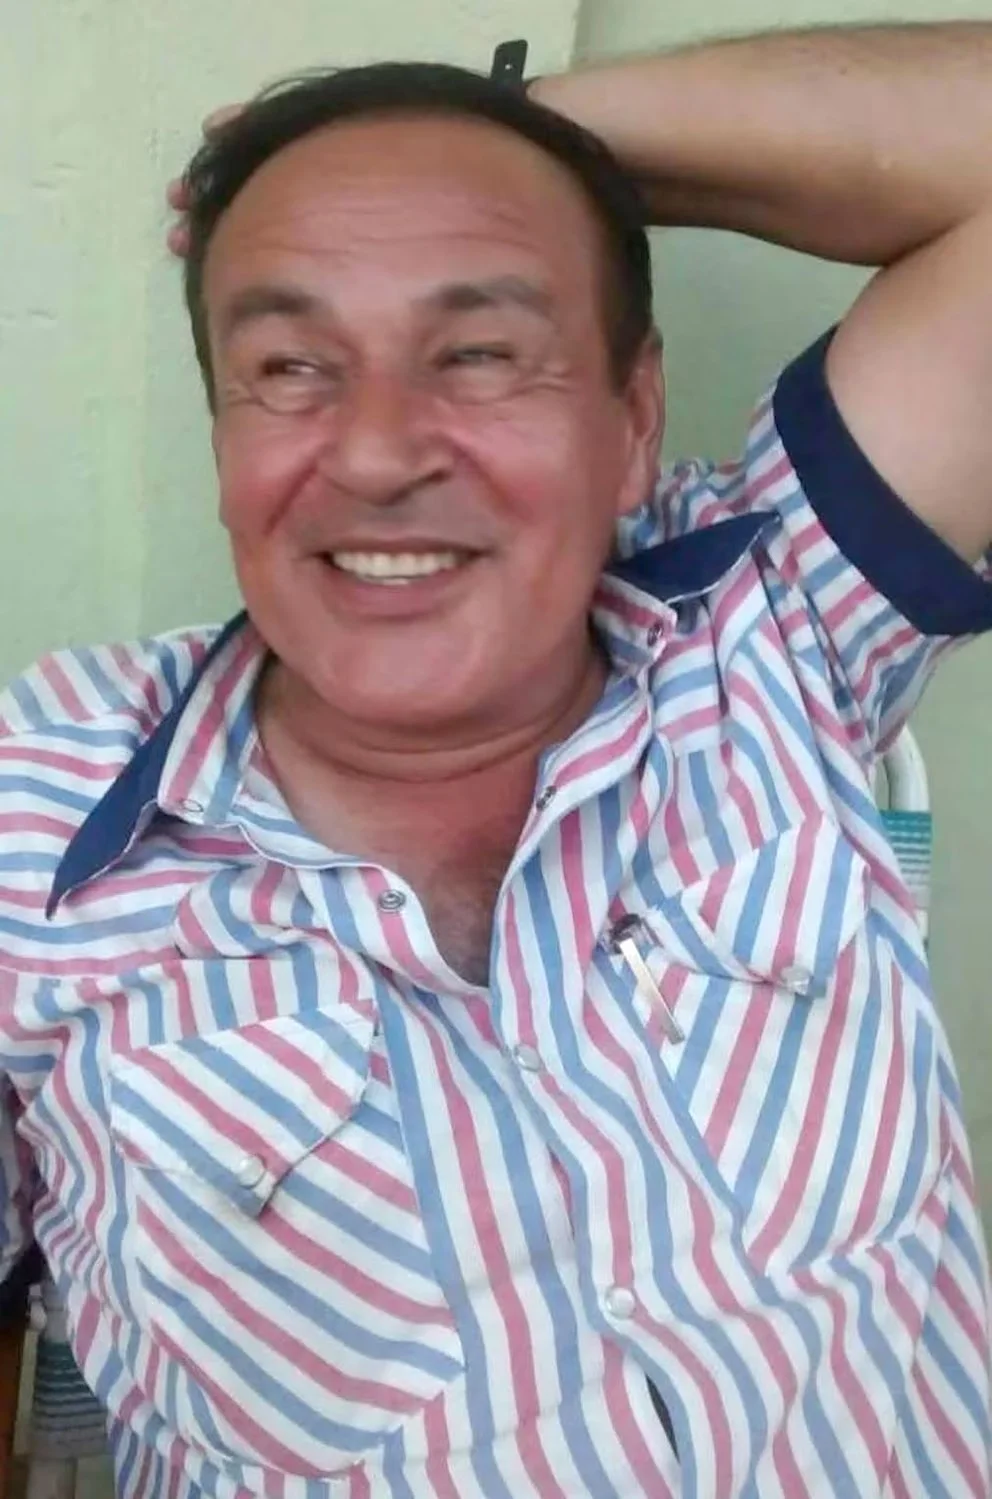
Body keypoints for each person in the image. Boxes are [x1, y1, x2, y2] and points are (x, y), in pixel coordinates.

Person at [2, 27, 991, 1499]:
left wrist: (516, 135)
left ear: (631, 423)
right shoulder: (36, 817)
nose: (377, 451)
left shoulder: (768, 630)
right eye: (289, 367)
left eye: (477, 353)